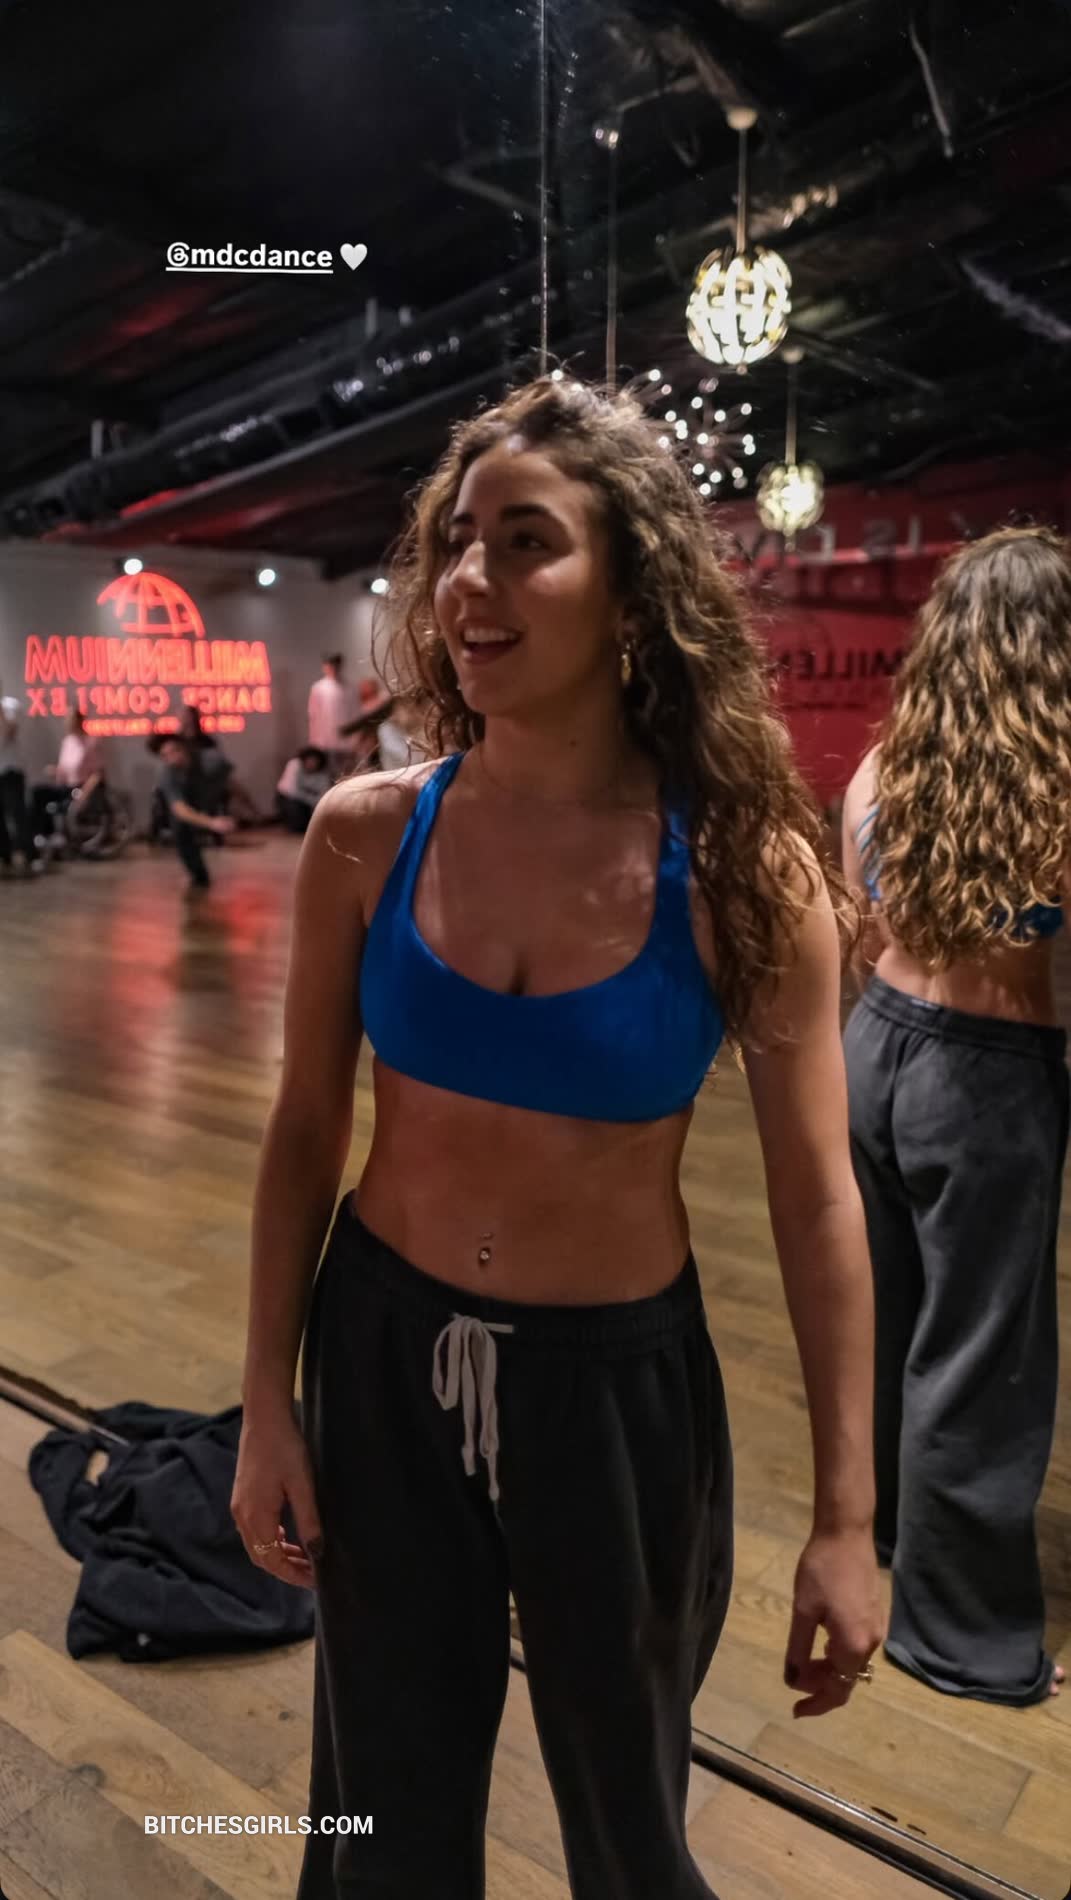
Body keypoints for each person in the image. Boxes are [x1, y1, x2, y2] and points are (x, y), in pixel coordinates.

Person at [232, 376, 883, 1900]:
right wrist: (266, 1396)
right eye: (457, 541)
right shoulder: (364, 833)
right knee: (379, 1813)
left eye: (527, 541)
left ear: (631, 595)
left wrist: (846, 1520)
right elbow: (306, 1125)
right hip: (380, 1358)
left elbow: (816, 1205)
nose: (470, 580)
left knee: (626, 1822)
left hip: (610, 1395)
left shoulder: (740, 873)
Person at [841, 525, 1071, 1708]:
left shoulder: (882, 771)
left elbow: (859, 922)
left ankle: (892, 1534)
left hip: (875, 1045)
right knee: (980, 1355)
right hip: (987, 1073)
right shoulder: (1054, 793)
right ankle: (961, 1634)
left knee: (891, 1321)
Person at [157, 735, 234, 889]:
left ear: (183, 749)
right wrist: (211, 823)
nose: (170, 758)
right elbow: (180, 809)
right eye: (164, 756)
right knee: (180, 828)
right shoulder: (168, 775)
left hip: (210, 796)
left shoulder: (211, 760)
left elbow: (230, 782)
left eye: (173, 751)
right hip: (190, 802)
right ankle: (199, 876)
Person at [30, 708, 104, 844]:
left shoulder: (90, 743)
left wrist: (85, 793)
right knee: (38, 792)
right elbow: (65, 768)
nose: (67, 722)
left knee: (67, 803)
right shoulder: (68, 742)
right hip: (65, 786)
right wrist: (56, 770)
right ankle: (46, 835)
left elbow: (97, 774)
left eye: (70, 719)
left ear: (78, 721)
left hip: (81, 787)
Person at [0, 688, 39, 874]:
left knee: (18, 814)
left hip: (11, 771)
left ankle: (31, 856)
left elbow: (6, 734)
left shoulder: (11, 706)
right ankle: (4, 856)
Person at [307, 653, 360, 778]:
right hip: (325, 741)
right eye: (330, 666)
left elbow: (355, 714)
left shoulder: (350, 688)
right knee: (327, 775)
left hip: (347, 741)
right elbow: (313, 715)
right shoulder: (318, 688)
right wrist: (315, 740)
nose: (333, 669)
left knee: (346, 774)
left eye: (335, 666)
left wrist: (356, 740)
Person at [276, 746, 332, 833]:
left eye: (315, 761)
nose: (312, 763)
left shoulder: (322, 773)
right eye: (310, 760)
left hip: (307, 800)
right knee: (298, 822)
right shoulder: (295, 764)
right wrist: (313, 800)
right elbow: (291, 790)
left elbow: (324, 792)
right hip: (287, 797)